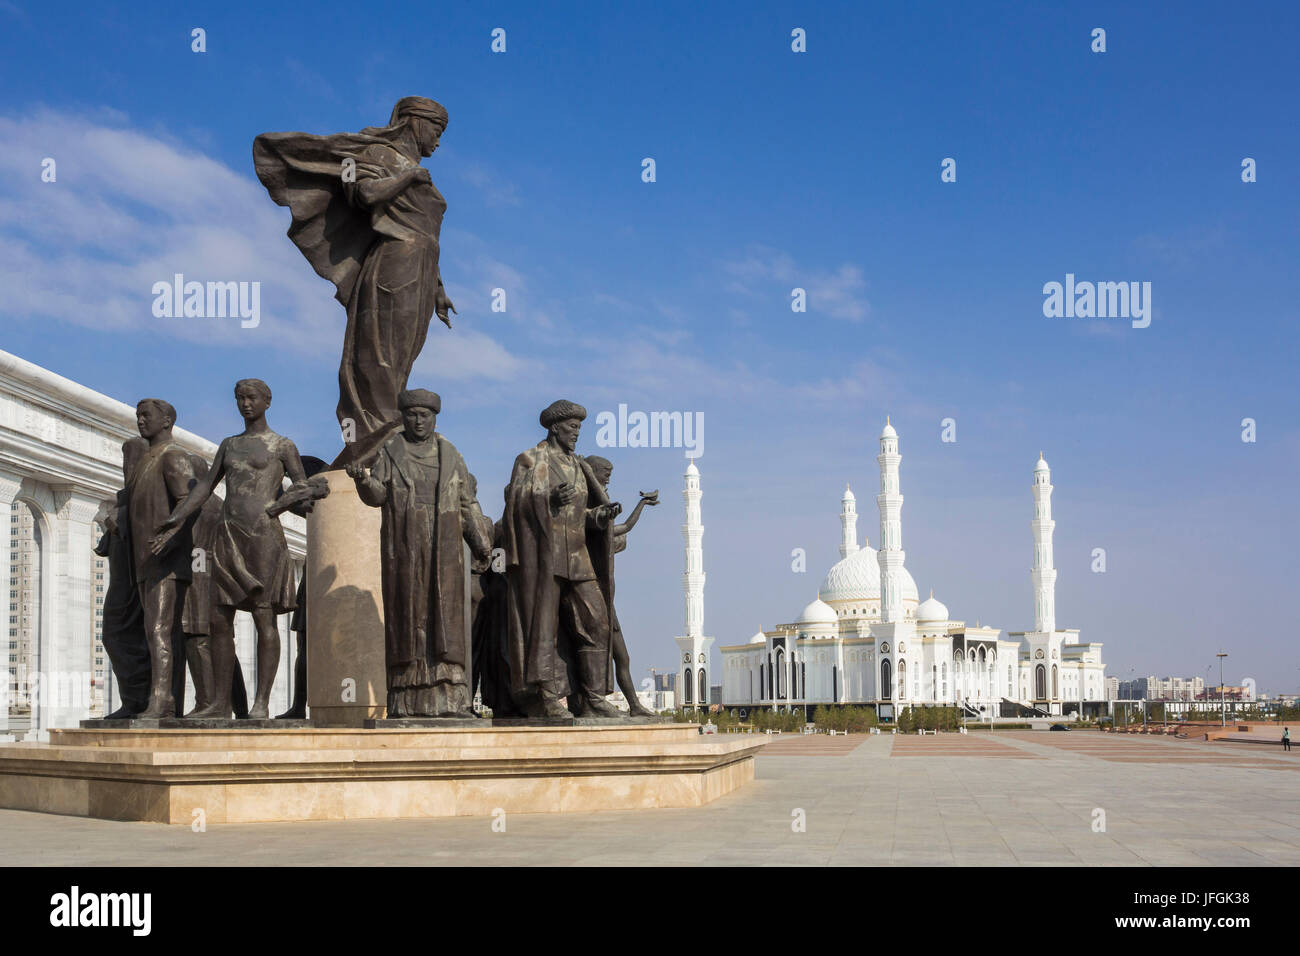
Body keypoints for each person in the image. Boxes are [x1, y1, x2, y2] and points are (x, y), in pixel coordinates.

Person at [254, 97, 457, 457]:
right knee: (376, 353)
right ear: (414, 122)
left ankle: (389, 432)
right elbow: (362, 193)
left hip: (422, 268)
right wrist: (408, 176)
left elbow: (427, 230)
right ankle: (375, 438)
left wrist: (438, 288)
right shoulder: (379, 155)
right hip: (394, 263)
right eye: (436, 131)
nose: (438, 142)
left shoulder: (409, 165)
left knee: (401, 359)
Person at [151, 379, 321, 719]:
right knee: (218, 620)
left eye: (252, 398)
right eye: (240, 398)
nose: (245, 404)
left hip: (264, 539)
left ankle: (261, 703)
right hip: (227, 537)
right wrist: (176, 518)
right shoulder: (229, 445)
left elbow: (305, 493)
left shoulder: (281, 446)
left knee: (264, 619)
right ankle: (219, 703)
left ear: (267, 402)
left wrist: (278, 506)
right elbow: (203, 490)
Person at [346, 389, 491, 717]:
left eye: (424, 415)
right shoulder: (391, 452)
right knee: (409, 616)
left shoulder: (451, 455)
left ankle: (452, 700)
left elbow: (468, 502)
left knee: (446, 618)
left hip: (445, 549)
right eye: (411, 415)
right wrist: (362, 481)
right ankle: (405, 702)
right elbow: (377, 496)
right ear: (404, 417)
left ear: (434, 417)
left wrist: (481, 542)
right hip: (406, 547)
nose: (418, 421)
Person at [500, 400, 622, 719]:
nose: (576, 433)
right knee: (544, 629)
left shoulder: (579, 466)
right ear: (555, 427)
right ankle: (547, 696)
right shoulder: (530, 460)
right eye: (572, 427)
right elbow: (515, 503)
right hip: (543, 559)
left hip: (578, 557)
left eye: (579, 428)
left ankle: (594, 696)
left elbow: (579, 514)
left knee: (597, 621)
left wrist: (598, 516)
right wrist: (547, 499)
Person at [128, 400, 200, 718]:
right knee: (151, 630)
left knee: (159, 629)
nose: (141, 420)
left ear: (167, 420)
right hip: (145, 559)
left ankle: (162, 700)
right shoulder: (146, 458)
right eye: (138, 416)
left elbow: (190, 500)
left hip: (165, 561)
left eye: (147, 415)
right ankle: (159, 697)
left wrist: (171, 537)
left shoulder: (173, 455)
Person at [585, 456, 659, 718]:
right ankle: (589, 701)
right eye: (605, 472)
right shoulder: (589, 516)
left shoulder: (603, 522)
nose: (609, 476)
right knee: (597, 654)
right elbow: (618, 529)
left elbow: (625, 527)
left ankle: (634, 704)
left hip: (608, 602)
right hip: (594, 599)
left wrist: (641, 504)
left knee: (622, 657)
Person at [92, 437, 151, 718]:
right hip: (120, 583)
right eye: (126, 459)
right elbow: (103, 546)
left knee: (132, 638)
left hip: (137, 582)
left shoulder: (147, 499)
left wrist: (120, 524)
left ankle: (140, 700)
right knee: (115, 637)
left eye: (133, 459)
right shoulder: (124, 500)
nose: (128, 466)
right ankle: (133, 699)